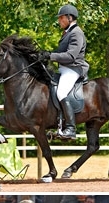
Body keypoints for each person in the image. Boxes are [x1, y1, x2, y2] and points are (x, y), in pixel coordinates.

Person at [39, 4, 89, 140]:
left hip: (74, 69)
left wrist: (51, 56)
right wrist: (45, 55)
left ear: (69, 17)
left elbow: (71, 56)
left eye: (61, 18)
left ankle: (71, 129)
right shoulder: (67, 33)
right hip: (64, 69)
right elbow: (61, 53)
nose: (59, 21)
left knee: (61, 92)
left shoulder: (77, 33)